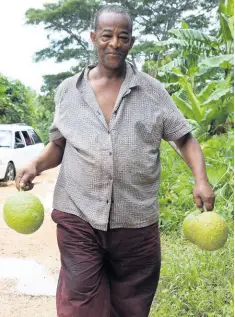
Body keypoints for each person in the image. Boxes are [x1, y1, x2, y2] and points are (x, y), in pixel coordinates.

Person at [16, 4, 215, 317]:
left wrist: (201, 179)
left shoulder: (152, 92)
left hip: (135, 220)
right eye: (107, 35)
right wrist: (36, 165)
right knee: (80, 302)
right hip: (77, 214)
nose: (114, 43)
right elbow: (58, 143)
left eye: (123, 37)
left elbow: (184, 138)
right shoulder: (69, 91)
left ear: (131, 42)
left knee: (131, 304)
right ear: (94, 38)